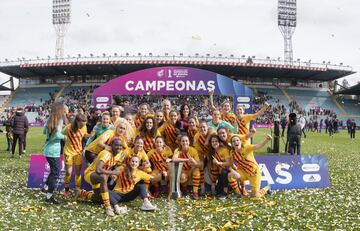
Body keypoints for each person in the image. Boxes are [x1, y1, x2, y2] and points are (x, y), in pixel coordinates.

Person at [82, 138, 123, 216]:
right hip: (90, 174)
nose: (119, 147)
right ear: (111, 146)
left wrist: (113, 173)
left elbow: (111, 166)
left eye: (120, 145)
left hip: (99, 177)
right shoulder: (106, 153)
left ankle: (83, 193)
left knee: (100, 199)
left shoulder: (116, 155)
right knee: (104, 177)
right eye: (116, 145)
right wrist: (113, 172)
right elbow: (98, 170)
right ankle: (108, 208)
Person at [42, 102, 67, 204]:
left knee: (53, 172)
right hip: (54, 151)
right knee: (55, 174)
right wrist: (64, 136)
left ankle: (45, 188)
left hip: (48, 150)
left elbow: (44, 132)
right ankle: (49, 197)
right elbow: (56, 135)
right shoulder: (59, 120)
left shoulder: (50, 119)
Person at [62, 113, 89, 197]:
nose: (82, 127)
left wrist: (91, 135)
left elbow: (85, 135)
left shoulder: (84, 127)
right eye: (81, 125)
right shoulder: (68, 128)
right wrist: (67, 141)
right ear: (77, 121)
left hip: (78, 152)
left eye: (84, 125)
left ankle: (77, 190)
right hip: (68, 152)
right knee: (68, 172)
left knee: (78, 173)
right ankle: (67, 189)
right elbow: (62, 134)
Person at [172, 135, 201, 199]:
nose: (185, 143)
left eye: (186, 141)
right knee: (182, 177)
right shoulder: (178, 150)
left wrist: (193, 161)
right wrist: (187, 160)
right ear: (180, 143)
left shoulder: (193, 150)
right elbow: (174, 159)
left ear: (189, 142)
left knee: (197, 171)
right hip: (183, 171)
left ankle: (195, 192)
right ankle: (184, 188)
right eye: (183, 141)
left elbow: (198, 165)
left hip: (192, 170)